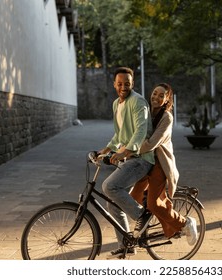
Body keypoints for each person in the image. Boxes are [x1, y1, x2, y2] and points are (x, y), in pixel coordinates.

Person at [130, 83, 198, 245]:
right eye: (155, 93)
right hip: (145, 161)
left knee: (153, 204)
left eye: (162, 96)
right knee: (133, 197)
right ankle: (156, 214)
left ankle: (184, 222)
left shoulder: (166, 117)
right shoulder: (145, 111)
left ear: (167, 99)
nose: (156, 97)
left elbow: (152, 143)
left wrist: (129, 150)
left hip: (159, 164)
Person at [97, 67, 154, 258]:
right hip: (128, 157)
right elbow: (120, 133)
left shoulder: (138, 102)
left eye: (127, 84)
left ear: (133, 83)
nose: (123, 87)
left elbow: (140, 131)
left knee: (109, 186)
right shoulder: (116, 104)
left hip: (141, 159)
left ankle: (141, 215)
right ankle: (127, 245)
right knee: (113, 203)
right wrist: (105, 149)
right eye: (120, 83)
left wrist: (127, 151)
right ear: (114, 84)